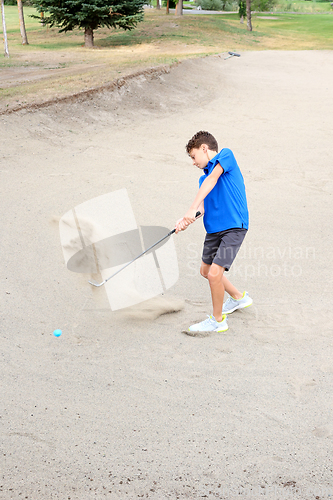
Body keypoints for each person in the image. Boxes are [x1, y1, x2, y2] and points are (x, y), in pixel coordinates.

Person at [175, 131, 253, 333]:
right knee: (206, 271)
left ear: (204, 149)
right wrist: (186, 220)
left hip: (234, 227)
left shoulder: (225, 156)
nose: (193, 162)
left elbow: (213, 179)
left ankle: (218, 321)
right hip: (214, 231)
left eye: (193, 157)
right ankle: (238, 298)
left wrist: (191, 208)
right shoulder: (203, 181)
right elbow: (204, 209)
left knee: (215, 274)